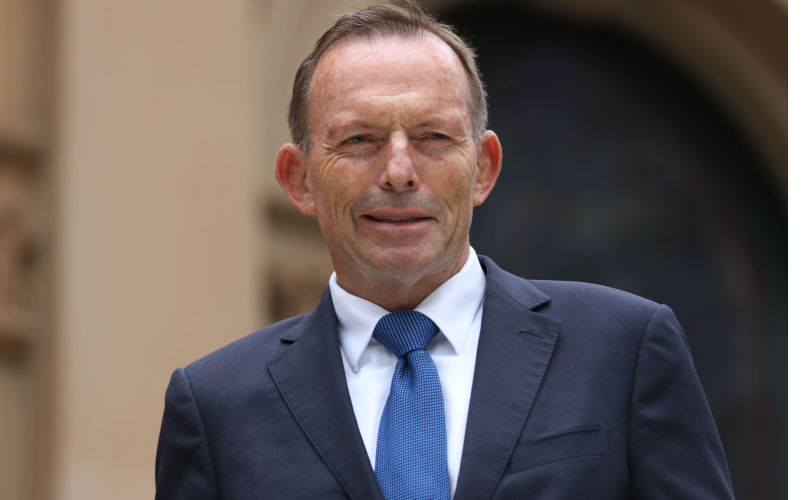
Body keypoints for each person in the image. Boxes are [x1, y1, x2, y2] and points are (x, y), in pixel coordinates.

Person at [154, 2, 734, 499]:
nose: (400, 171)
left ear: (483, 168)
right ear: (298, 177)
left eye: (433, 137)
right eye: (360, 140)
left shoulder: (623, 351)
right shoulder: (215, 408)